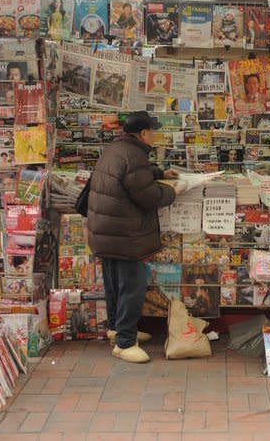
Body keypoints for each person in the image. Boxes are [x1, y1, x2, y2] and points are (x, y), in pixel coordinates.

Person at [86, 111, 180, 363]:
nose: (155, 135)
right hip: (124, 234)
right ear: (143, 133)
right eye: (153, 130)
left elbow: (134, 176)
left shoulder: (118, 149)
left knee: (115, 284)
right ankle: (125, 343)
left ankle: (117, 330)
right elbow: (147, 195)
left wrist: (158, 173)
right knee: (132, 286)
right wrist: (172, 192)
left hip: (106, 231)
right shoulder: (135, 154)